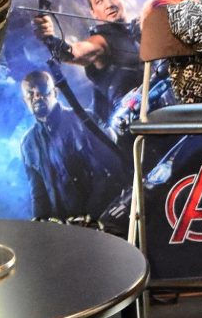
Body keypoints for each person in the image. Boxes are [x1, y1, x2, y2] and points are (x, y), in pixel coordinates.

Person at [17, 68, 123, 221]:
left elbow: (108, 170)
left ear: (55, 92)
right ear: (24, 101)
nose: (37, 97)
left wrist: (91, 216)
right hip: (65, 227)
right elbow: (38, 193)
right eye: (30, 94)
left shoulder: (83, 120)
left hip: (102, 218)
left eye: (42, 90)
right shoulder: (28, 143)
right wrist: (40, 224)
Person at [38, 0, 141, 129]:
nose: (109, 4)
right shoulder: (101, 42)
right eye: (99, 1)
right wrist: (50, 38)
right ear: (93, 12)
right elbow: (75, 52)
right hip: (134, 127)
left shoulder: (140, 30)